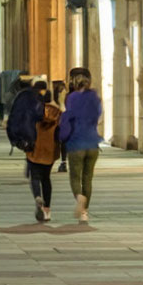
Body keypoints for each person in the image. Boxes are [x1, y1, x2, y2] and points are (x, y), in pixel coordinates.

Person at [59, 67, 102, 223]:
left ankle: (79, 200)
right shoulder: (95, 98)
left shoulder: (72, 98)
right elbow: (98, 118)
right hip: (93, 143)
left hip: (76, 143)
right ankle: (85, 213)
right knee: (88, 179)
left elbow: (68, 116)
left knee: (75, 177)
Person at [26, 81, 61, 222]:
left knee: (34, 176)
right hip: (50, 150)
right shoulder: (57, 113)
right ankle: (47, 210)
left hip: (35, 149)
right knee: (46, 179)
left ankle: (37, 196)